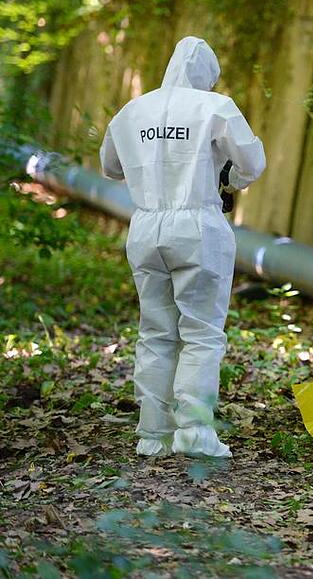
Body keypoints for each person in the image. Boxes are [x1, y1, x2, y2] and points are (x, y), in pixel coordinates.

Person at [99, 36, 266, 457]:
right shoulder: (215, 107)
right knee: (202, 333)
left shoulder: (132, 110)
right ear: (207, 75)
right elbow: (253, 162)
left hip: (145, 226)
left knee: (155, 331)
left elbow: (109, 166)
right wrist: (230, 179)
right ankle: (194, 432)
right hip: (198, 227)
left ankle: (152, 434)